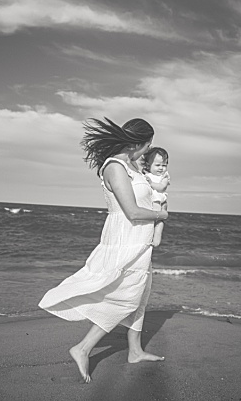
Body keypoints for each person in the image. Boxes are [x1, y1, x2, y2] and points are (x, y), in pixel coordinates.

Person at [39, 116, 168, 383]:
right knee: (126, 297)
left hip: (139, 242)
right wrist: (160, 216)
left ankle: (134, 351)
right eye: (147, 145)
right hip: (125, 240)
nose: (148, 151)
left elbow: (146, 194)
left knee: (140, 297)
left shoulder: (130, 165)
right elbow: (131, 211)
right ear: (137, 142)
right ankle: (83, 348)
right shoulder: (115, 167)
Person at [143, 147, 170, 248]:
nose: (161, 168)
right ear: (148, 165)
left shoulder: (164, 177)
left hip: (158, 199)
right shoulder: (146, 174)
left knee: (158, 220)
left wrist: (151, 183)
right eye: (157, 165)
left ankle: (157, 238)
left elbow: (162, 187)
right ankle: (149, 236)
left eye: (164, 165)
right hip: (149, 200)